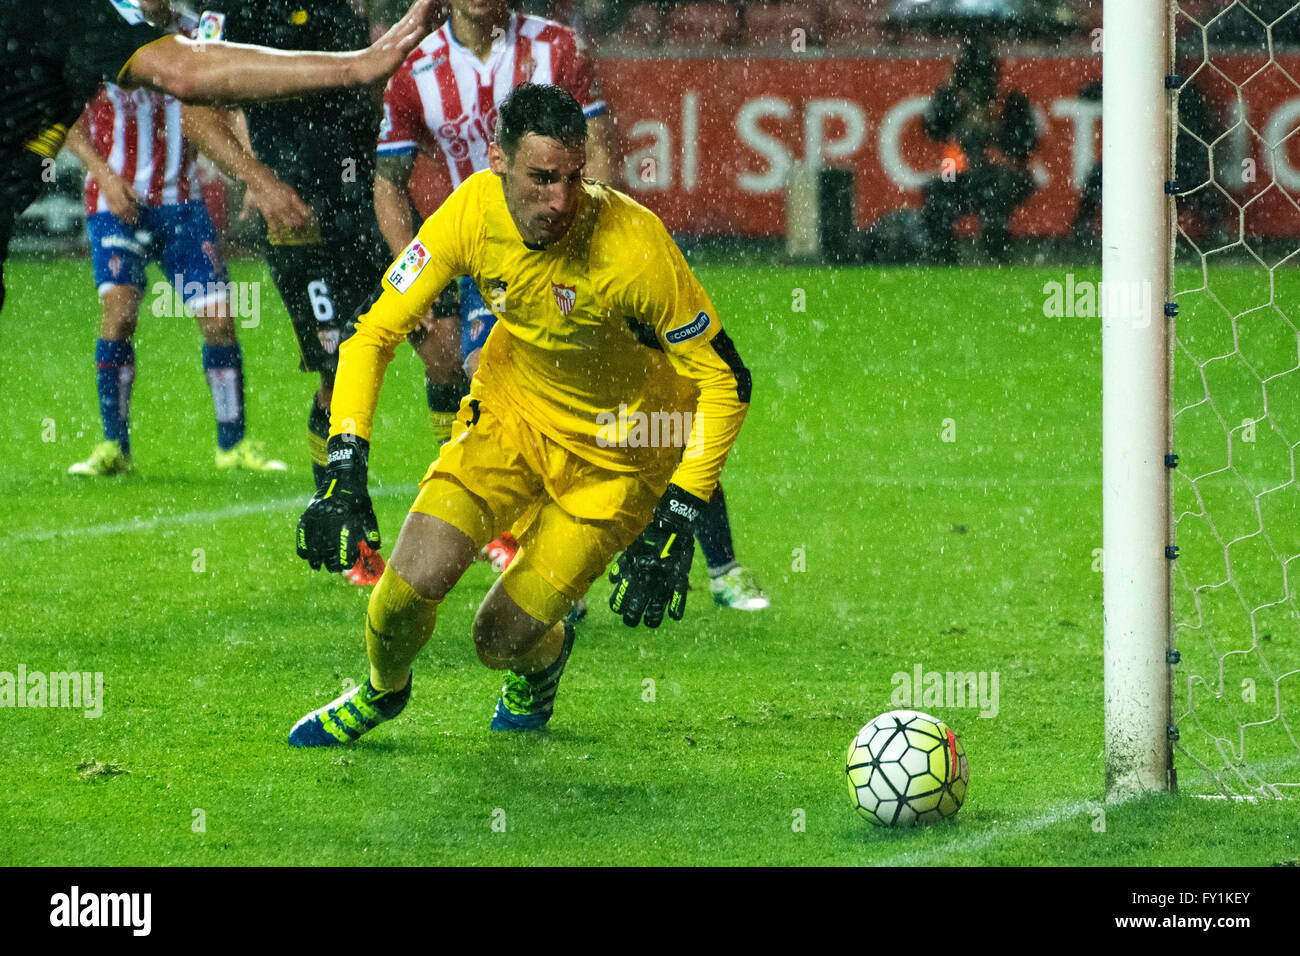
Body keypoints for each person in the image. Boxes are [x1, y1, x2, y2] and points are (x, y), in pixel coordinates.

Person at [290, 83, 751, 745]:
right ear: (496, 160)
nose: (560, 201)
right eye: (540, 178)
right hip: (509, 422)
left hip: (615, 465)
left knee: (496, 640)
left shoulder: (636, 248)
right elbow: (371, 335)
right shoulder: (471, 212)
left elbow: (726, 382)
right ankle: (382, 693)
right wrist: (344, 469)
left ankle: (541, 669)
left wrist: (679, 514)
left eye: (573, 178)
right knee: (401, 595)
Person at [374, 0, 769, 610]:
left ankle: (719, 562)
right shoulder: (415, 64)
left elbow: (599, 150)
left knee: (664, 396)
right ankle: (540, 556)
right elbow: (387, 182)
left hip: (577, 260)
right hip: (489, 257)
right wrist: (415, 280)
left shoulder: (557, 47)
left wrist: (592, 240)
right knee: (488, 383)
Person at [0, 0, 438, 316]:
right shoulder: (63, 14)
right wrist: (353, 68)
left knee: (219, 320)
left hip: (179, 200)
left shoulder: (81, 20)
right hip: (126, 198)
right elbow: (185, 73)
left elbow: (187, 70)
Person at [195, 0, 425, 586]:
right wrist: (259, 180)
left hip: (370, 204)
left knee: (445, 346)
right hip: (303, 218)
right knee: (339, 367)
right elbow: (194, 104)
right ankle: (344, 525)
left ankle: (490, 519)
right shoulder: (233, 10)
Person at [64, 0, 307, 476]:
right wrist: (105, 177)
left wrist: (253, 178)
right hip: (116, 201)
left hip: (181, 203)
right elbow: (65, 112)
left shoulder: (198, 32)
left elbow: (228, 104)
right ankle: (115, 447)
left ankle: (232, 446)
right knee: (120, 312)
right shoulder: (103, 26)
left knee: (218, 320)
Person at [920, 37, 1038, 264]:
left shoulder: (1010, 101)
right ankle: (943, 260)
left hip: (1000, 174)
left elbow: (1026, 142)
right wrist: (951, 97)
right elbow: (932, 127)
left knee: (996, 192)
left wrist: (996, 133)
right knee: (937, 191)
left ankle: (997, 257)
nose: (978, 83)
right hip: (961, 175)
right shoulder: (953, 100)